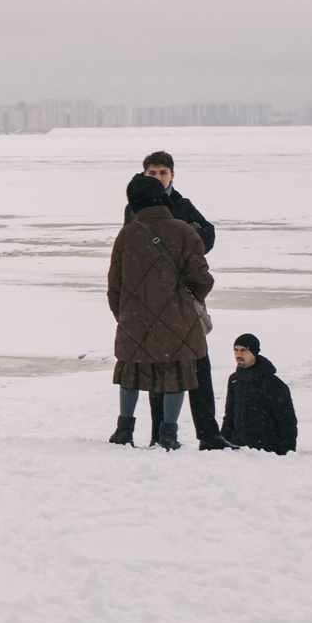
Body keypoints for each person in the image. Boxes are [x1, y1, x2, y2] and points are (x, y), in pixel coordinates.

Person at [127, 151, 228, 449]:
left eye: (163, 173)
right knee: (161, 368)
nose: (158, 178)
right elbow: (134, 248)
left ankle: (208, 434)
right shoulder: (135, 207)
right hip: (154, 301)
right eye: (152, 173)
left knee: (198, 366)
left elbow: (206, 235)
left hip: (183, 298)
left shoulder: (182, 204)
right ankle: (161, 433)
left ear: (172, 176)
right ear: (144, 174)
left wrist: (191, 246)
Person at [107, 173, 214, 449]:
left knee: (131, 370)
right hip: (178, 319)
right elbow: (202, 279)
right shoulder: (184, 231)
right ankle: (168, 434)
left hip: (134, 318)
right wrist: (184, 304)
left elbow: (114, 285)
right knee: (175, 374)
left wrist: (124, 314)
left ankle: (124, 430)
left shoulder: (127, 234)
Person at [221, 333, 298, 454]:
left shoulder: (271, 382)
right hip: (237, 450)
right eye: (235, 350)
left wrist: (287, 452)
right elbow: (229, 416)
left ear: (254, 352)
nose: (238, 355)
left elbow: (287, 421)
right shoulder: (235, 380)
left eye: (243, 350)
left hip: (265, 452)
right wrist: (223, 443)